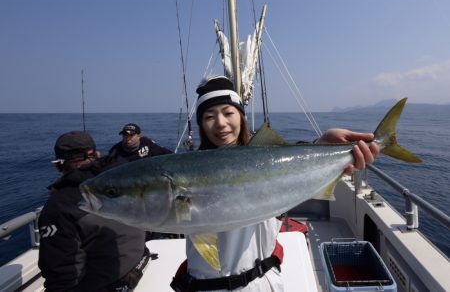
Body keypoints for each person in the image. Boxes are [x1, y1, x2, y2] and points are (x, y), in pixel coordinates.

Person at [171, 75, 379, 291]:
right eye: (209, 116)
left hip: (264, 282)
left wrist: (322, 145)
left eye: (228, 113)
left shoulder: (268, 160)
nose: (221, 123)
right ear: (201, 125)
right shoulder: (187, 175)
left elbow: (289, 162)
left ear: (241, 117)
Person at [38, 131, 150, 292]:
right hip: (139, 262)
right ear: (96, 153)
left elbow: (62, 275)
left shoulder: (59, 206)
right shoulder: (123, 173)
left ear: (58, 165)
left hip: (111, 285)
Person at [107, 123, 172, 166]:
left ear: (139, 136)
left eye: (131, 135)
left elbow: (166, 153)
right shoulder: (115, 150)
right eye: (125, 135)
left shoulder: (146, 142)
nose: (127, 138)